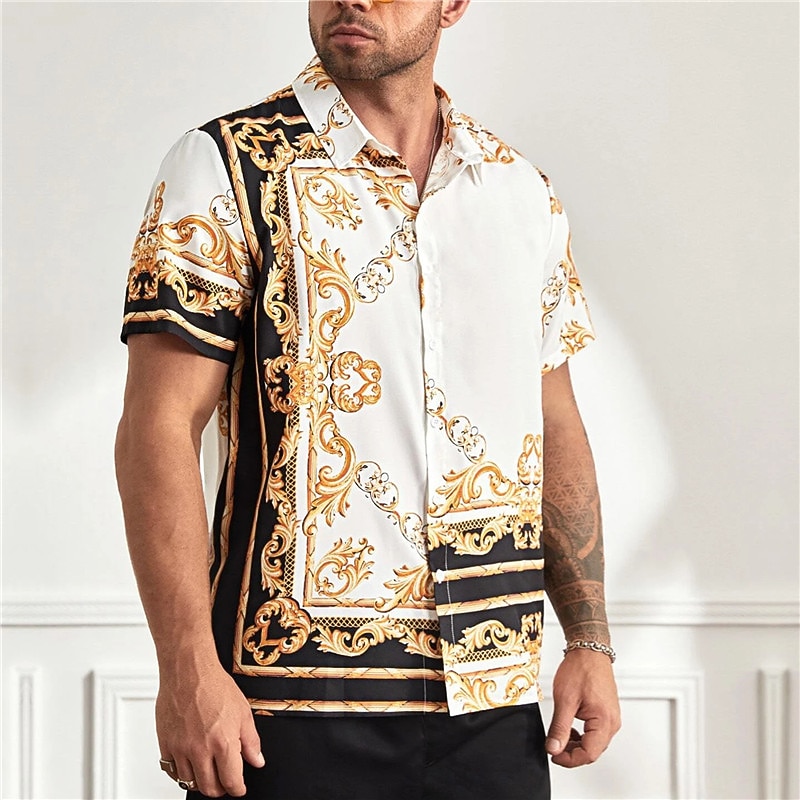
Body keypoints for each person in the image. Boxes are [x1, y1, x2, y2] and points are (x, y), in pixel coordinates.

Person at [115, 1, 621, 798]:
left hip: (491, 702)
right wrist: (186, 671)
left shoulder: (520, 193)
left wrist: (589, 638)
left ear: (453, 5)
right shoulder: (227, 167)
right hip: (284, 706)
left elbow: (554, 422)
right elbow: (160, 425)